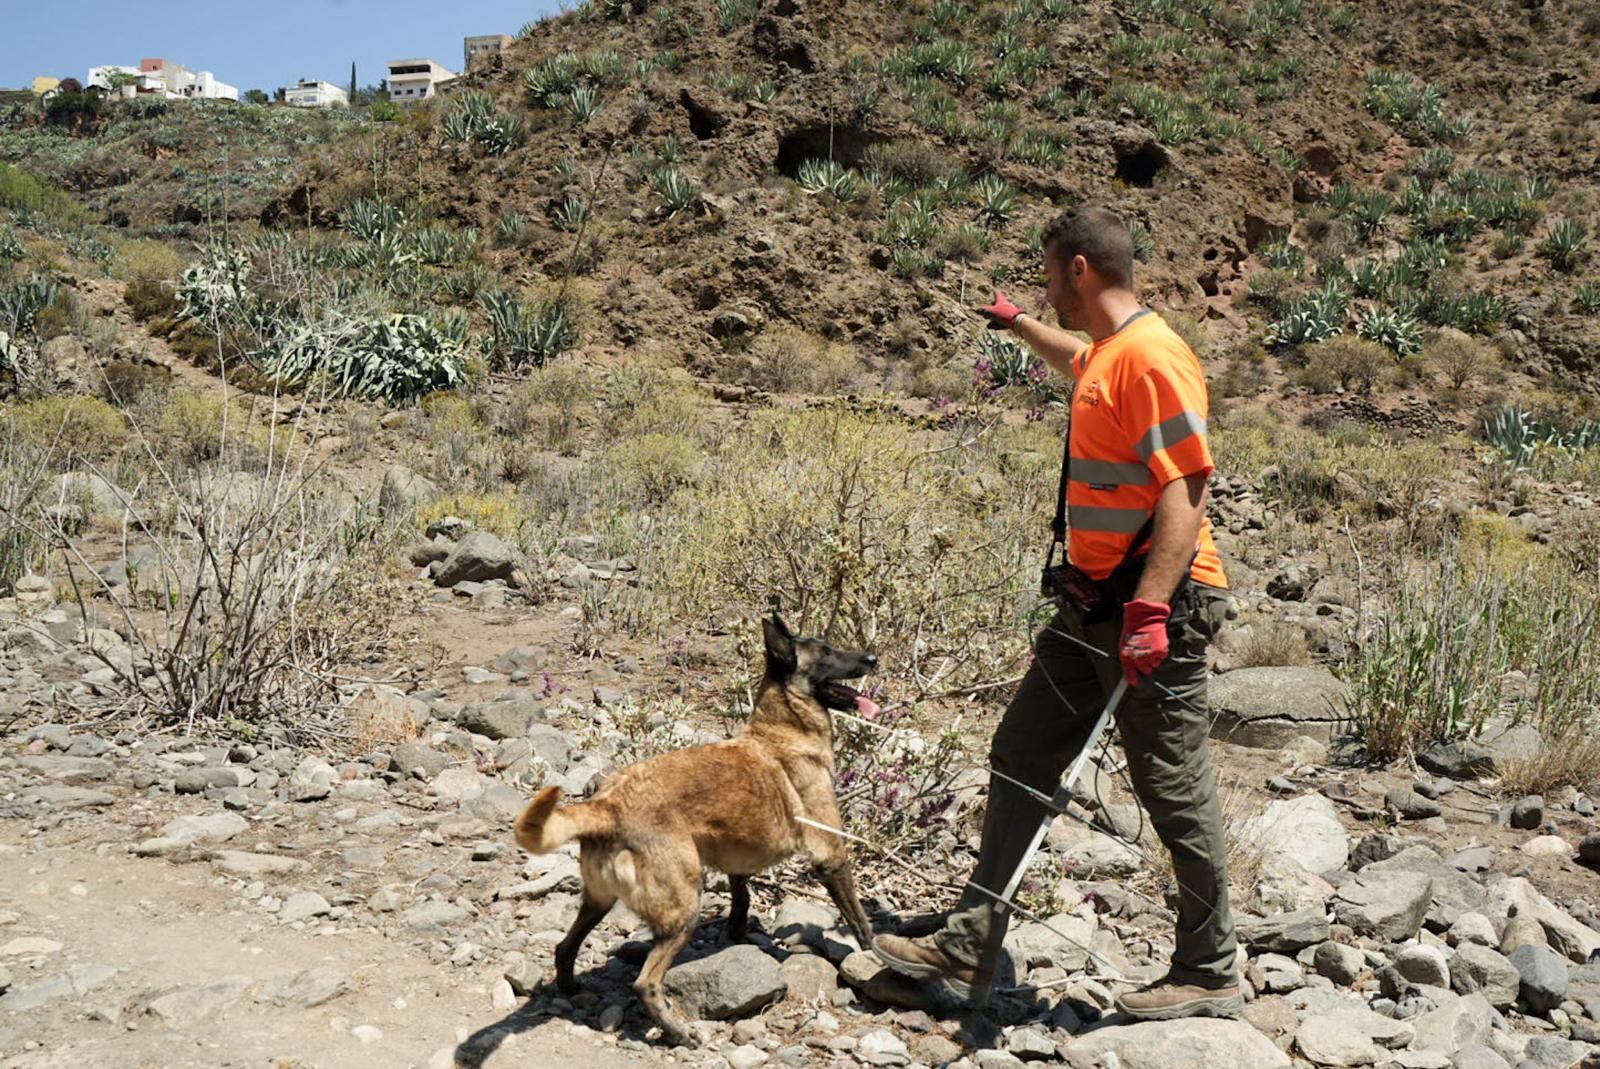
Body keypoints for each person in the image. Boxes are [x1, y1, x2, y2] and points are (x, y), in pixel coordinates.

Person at [871, 205, 1241, 1021]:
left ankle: (1210, 966)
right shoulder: (1112, 353)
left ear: (1079, 268)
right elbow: (1081, 360)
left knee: (1171, 784)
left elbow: (1186, 483)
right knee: (1022, 748)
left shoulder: (1154, 355)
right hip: (1090, 606)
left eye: (1049, 276)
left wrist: (1149, 610)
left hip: (1155, 607)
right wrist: (1018, 325)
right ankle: (972, 938)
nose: (1047, 288)